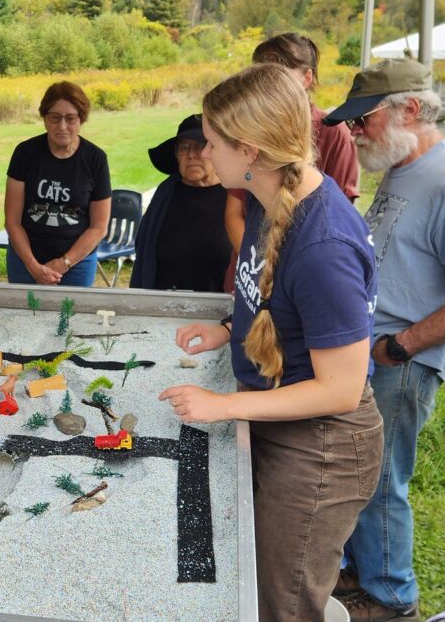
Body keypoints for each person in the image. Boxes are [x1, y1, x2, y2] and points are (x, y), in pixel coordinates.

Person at [159, 63, 384, 622]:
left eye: (211, 143)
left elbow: (340, 389)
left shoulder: (325, 241)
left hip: (322, 448)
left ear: (251, 151)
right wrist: (229, 329)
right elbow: (277, 297)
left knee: (284, 606)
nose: (204, 154)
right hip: (283, 427)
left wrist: (223, 405)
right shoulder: (270, 197)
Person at [322, 58, 445, 622]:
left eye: (364, 119)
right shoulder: (402, 167)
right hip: (374, 354)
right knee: (362, 472)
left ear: (412, 110)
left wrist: (399, 347)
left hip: (403, 361)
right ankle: (363, 571)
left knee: (380, 479)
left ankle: (392, 597)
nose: (352, 132)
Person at [225, 33, 360, 254]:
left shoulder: (334, 134)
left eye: (279, 76)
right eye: (260, 76)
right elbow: (234, 213)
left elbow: (339, 218)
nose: (267, 86)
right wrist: (258, 267)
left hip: (302, 271)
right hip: (248, 272)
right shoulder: (249, 128)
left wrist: (282, 272)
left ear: (307, 78)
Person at [4, 81, 111, 287]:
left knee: (72, 318)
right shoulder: (25, 153)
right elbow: (12, 221)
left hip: (76, 263)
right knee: (27, 318)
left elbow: (99, 227)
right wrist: (33, 266)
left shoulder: (96, 159)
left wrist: (64, 263)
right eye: (55, 118)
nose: (62, 126)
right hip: (25, 261)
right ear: (45, 119)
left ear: (81, 119)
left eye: (70, 118)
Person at [130, 113, 230, 292]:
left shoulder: (235, 197)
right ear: (176, 154)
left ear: (215, 151)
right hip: (165, 306)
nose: (191, 154)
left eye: (200, 146)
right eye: (184, 147)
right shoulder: (164, 195)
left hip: (220, 310)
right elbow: (143, 251)